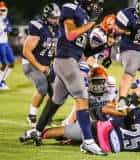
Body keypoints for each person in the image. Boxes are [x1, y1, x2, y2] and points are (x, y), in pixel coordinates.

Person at [20, 0, 107, 155]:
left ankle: (37, 131)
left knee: (56, 101)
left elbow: (82, 49)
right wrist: (91, 23)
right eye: (94, 2)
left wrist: (102, 47)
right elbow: (71, 34)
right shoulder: (70, 8)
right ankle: (88, 142)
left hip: (69, 59)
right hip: (65, 59)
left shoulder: (83, 14)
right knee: (82, 97)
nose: (96, 6)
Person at [22, 3, 61, 127]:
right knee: (42, 87)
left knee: (57, 93)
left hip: (47, 65)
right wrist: (39, 67)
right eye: (53, 17)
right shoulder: (38, 27)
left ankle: (47, 118)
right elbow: (26, 51)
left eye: (57, 17)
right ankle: (31, 116)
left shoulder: (58, 29)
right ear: (46, 17)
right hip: (32, 63)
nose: (56, 20)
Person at [0, 1, 15, 90]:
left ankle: (2, 81)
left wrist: (8, 29)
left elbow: (9, 29)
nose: (3, 11)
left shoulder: (5, 19)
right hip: (0, 44)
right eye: (2, 10)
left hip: (5, 43)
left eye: (4, 9)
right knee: (5, 64)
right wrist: (4, 29)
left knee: (12, 63)